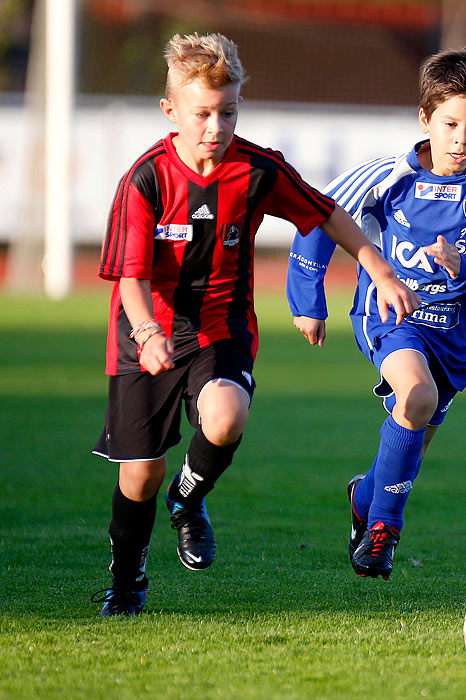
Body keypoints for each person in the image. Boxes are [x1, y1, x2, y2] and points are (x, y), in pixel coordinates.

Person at [90, 32, 419, 616]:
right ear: (171, 112)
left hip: (221, 325)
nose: (216, 127)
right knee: (139, 475)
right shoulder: (145, 180)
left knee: (226, 415)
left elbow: (326, 214)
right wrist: (147, 333)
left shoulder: (256, 169)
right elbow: (130, 279)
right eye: (203, 115)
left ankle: (188, 502)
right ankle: (127, 582)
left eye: (228, 112)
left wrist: (379, 267)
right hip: (145, 332)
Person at [287, 48, 466, 580]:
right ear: (425, 119)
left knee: (415, 432)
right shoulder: (385, 177)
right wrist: (308, 301)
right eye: (450, 124)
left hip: (458, 338)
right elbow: (316, 219)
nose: (460, 139)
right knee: (416, 396)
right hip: (388, 317)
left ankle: (366, 498)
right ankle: (383, 532)